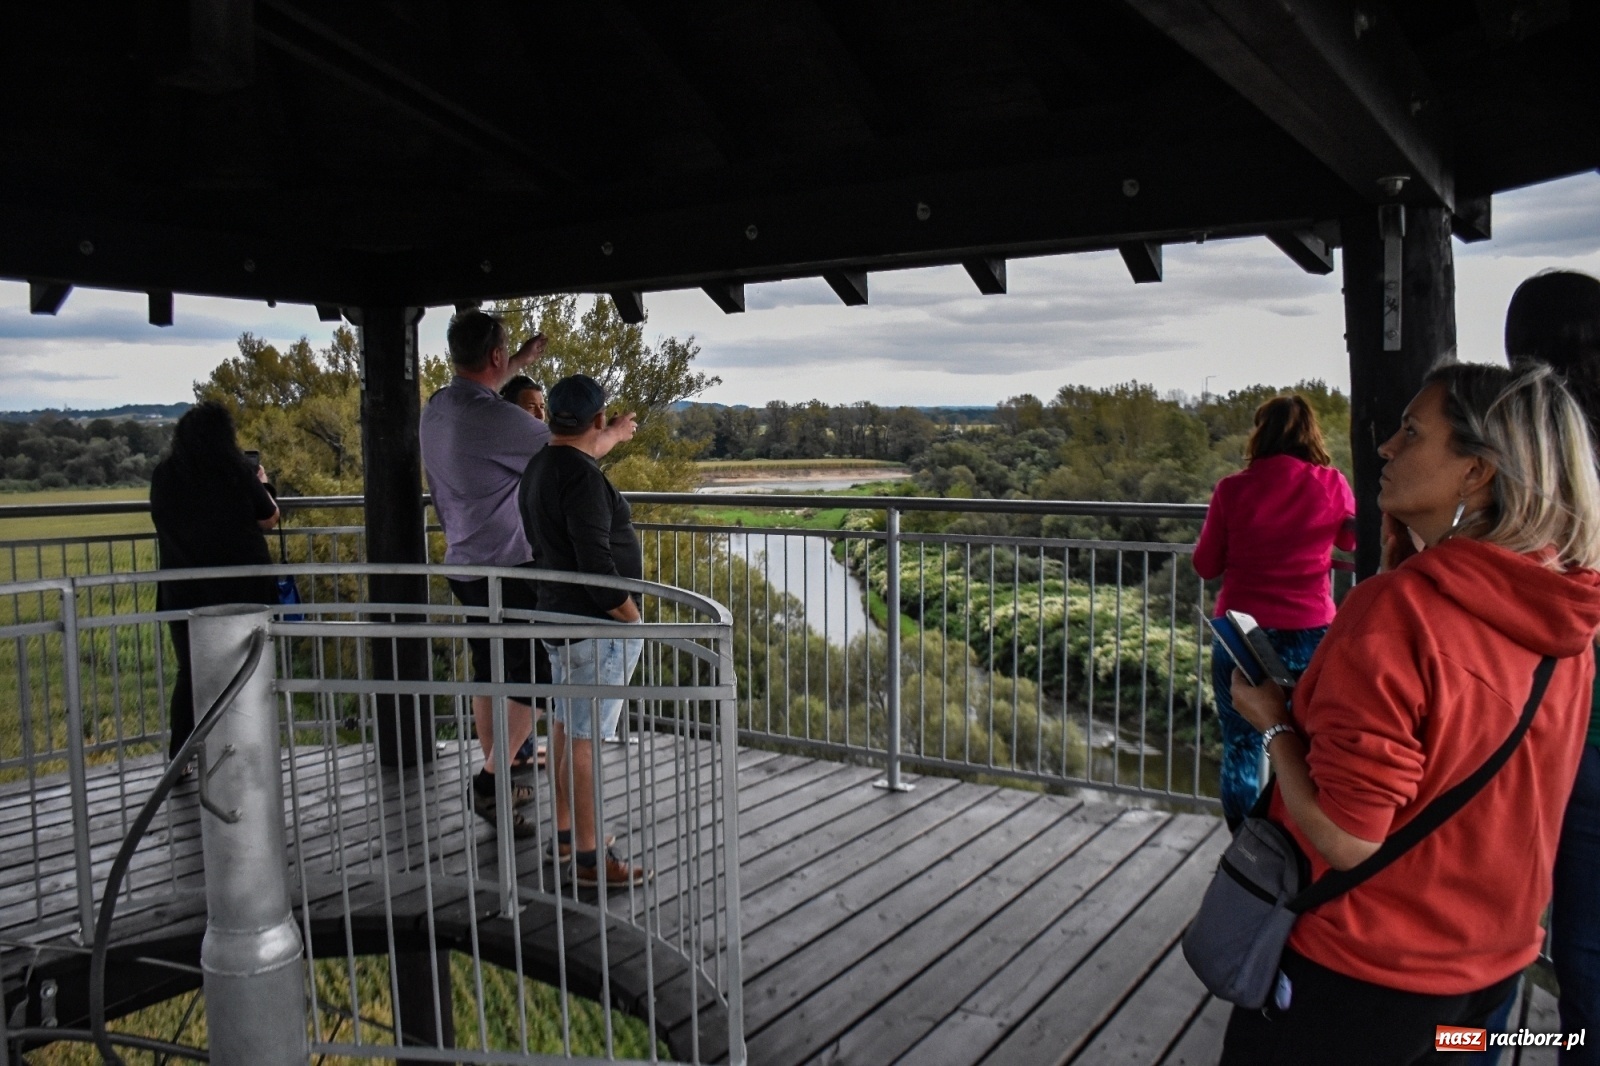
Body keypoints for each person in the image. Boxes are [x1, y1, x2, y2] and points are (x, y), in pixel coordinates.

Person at [1221, 363, 1600, 1066]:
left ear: (1477, 473)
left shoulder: (1399, 613)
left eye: (1412, 432)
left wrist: (1274, 722)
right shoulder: (1568, 613)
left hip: (1364, 981)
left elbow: (1346, 838)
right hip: (1490, 975)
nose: (1386, 448)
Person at [1506, 269, 1600, 1065]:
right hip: (1570, 731)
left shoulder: (1525, 469)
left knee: (1491, 938)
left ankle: (1473, 1043)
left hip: (1541, 730)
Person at [1192, 395, 1355, 829]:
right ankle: (1305, 842)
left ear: (1259, 433)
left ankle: (1247, 847)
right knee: (1307, 739)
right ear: (1312, 433)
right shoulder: (1332, 483)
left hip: (1242, 633)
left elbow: (1206, 565)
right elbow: (1353, 542)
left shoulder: (1233, 489)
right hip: (1308, 631)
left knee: (1242, 744)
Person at [419, 310, 550, 834]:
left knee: (490, 671)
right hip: (506, 566)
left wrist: (515, 362)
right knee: (536, 677)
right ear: (495, 357)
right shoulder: (496, 419)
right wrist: (609, 433)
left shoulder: (437, 408)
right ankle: (493, 780)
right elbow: (562, 452)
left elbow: (483, 392)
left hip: (467, 564)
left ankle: (506, 767)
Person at [518, 374, 647, 888]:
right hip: (596, 629)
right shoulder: (582, 478)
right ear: (595, 420)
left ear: (550, 417)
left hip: (559, 619)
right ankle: (593, 862)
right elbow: (595, 564)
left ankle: (569, 836)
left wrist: (614, 433)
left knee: (568, 730)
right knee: (586, 741)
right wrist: (632, 618)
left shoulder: (541, 466)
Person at [149, 402, 279, 769]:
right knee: (245, 670)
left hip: (183, 591)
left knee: (189, 674)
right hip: (240, 592)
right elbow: (269, 517)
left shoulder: (165, 475)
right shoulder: (235, 472)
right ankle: (240, 753)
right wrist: (264, 483)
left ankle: (180, 759)